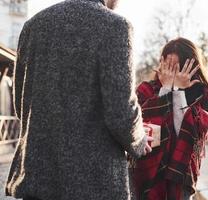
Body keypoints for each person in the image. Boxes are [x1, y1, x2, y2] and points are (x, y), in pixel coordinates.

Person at [5, 0, 153, 200]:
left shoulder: (33, 25)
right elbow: (120, 113)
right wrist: (139, 139)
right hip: (94, 182)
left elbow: (22, 102)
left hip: (39, 175)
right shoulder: (115, 27)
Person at [131, 37, 208, 200]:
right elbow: (153, 134)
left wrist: (179, 92)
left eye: (177, 68)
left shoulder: (203, 96)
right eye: (167, 66)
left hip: (180, 175)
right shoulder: (145, 91)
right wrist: (166, 90)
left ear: (191, 68)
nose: (170, 73)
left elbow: (185, 134)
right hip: (148, 173)